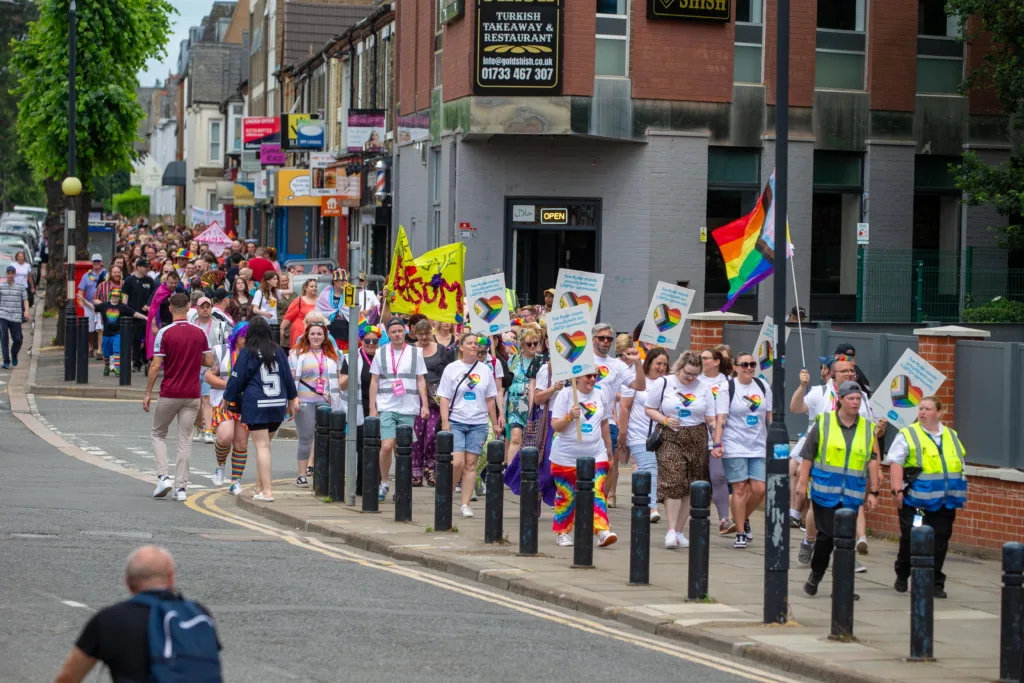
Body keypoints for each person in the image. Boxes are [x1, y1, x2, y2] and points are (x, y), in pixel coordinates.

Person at [53, 545, 221, 683]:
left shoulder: (110, 620)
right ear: (171, 578)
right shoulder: (199, 614)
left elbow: (68, 677)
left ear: (128, 583)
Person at [791, 355, 879, 571]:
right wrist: (802, 387)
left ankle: (847, 553)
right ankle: (809, 541)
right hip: (824, 463)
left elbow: (869, 431)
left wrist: (876, 468)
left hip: (852, 464)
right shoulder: (820, 393)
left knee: (851, 507)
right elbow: (795, 407)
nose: (850, 374)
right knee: (817, 507)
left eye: (852, 370)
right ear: (832, 374)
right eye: (845, 371)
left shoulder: (862, 398)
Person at [885, 397, 966, 598]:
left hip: (945, 501)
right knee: (910, 539)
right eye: (920, 409)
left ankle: (935, 582)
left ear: (939, 413)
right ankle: (902, 574)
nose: (922, 412)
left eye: (927, 409)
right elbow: (896, 462)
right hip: (916, 501)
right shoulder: (908, 434)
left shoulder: (951, 435)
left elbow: (959, 463)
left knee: (940, 541)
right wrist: (897, 491)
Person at [144, 293, 214, 502]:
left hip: (170, 392)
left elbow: (156, 366)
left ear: (170, 308)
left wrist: (148, 393)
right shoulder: (199, 333)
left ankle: (163, 476)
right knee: (185, 440)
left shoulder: (165, 333)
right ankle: (181, 488)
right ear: (189, 307)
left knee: (158, 433)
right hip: (192, 394)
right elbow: (209, 361)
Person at [645, 350, 719, 549]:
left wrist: (717, 442)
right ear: (679, 368)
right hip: (670, 434)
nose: (691, 378)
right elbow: (649, 408)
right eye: (687, 373)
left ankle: (679, 531)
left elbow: (711, 418)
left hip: (697, 436)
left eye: (695, 374)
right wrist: (665, 420)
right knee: (673, 480)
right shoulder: (664, 383)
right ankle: (670, 530)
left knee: (691, 484)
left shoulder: (704, 387)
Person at [223, 316, 299, 502]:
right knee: (264, 447)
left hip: (256, 404)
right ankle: (259, 488)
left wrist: (227, 398)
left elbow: (237, 378)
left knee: (261, 447)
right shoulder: (279, 351)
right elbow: (287, 377)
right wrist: (292, 399)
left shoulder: (248, 351)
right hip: (277, 405)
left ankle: (267, 492)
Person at [548, 370, 618, 548]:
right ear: (577, 377)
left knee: (597, 491)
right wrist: (569, 417)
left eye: (596, 375)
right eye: (589, 375)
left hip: (595, 453)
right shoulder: (565, 395)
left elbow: (604, 422)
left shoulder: (600, 394)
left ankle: (602, 530)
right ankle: (563, 532)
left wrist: (609, 449)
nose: (593, 379)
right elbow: (556, 425)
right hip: (565, 456)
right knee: (567, 495)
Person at [438, 331, 502, 517]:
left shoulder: (485, 370)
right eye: (470, 343)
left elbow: (490, 398)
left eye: (476, 343)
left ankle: (465, 504)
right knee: (457, 463)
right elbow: (444, 397)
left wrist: (495, 422)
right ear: (461, 347)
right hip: (457, 421)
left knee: (471, 464)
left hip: (479, 422)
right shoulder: (452, 368)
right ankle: (447, 493)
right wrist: (444, 423)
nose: (474, 346)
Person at [711, 351, 772, 549]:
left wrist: (775, 438)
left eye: (752, 364)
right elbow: (721, 418)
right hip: (734, 444)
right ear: (735, 367)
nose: (749, 368)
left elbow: (769, 416)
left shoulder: (763, 386)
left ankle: (742, 518)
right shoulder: (726, 388)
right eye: (744, 365)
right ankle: (740, 532)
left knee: (759, 489)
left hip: (758, 445)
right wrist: (717, 443)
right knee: (739, 488)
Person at [368, 317, 429, 501]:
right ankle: (384, 482)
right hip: (387, 405)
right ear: (388, 334)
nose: (397, 334)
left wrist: (424, 404)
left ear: (405, 332)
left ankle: (401, 485)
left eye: (400, 331)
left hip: (408, 407)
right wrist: (373, 407)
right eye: (393, 332)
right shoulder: (380, 353)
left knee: (402, 448)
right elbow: (374, 381)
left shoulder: (415, 353)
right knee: (386, 446)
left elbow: (420, 379)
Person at [591, 323, 645, 508]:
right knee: (583, 466)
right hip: (583, 421)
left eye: (609, 338)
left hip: (606, 421)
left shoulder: (616, 365)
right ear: (593, 339)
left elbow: (639, 386)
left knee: (609, 464)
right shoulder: (583, 361)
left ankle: (600, 504)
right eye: (601, 338)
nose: (606, 341)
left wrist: (638, 363)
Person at [289, 319, 341, 487]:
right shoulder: (297, 353)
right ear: (307, 335)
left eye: (320, 333)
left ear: (325, 336)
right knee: (306, 438)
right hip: (304, 402)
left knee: (325, 439)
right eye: (313, 334)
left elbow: (339, 378)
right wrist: (293, 399)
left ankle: (321, 473)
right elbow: (291, 379)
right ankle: (301, 475)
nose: (316, 337)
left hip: (326, 402)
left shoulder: (332, 355)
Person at [621, 348, 669, 524]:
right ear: (650, 363)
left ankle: (641, 501)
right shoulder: (638, 380)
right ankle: (653, 507)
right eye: (658, 363)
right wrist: (623, 434)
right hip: (638, 433)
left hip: (660, 435)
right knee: (650, 467)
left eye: (665, 364)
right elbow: (625, 407)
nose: (662, 367)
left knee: (646, 470)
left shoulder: (668, 383)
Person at [205, 322, 250, 495]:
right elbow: (208, 376)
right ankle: (220, 465)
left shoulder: (254, 355)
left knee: (241, 442)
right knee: (225, 437)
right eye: (243, 336)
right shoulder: (222, 351)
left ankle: (235, 481)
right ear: (236, 336)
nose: (246, 340)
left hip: (245, 405)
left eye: (249, 337)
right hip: (223, 401)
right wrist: (230, 386)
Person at [700, 347, 735, 534]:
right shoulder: (695, 380)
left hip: (720, 438)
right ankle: (698, 518)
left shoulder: (729, 383)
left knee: (718, 476)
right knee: (697, 480)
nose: (702, 361)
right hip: (697, 436)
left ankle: (724, 519)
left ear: (717, 361)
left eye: (706, 358)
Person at [411, 319, 451, 486]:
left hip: (436, 398)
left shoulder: (441, 350)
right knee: (417, 436)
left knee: (431, 435)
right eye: (420, 334)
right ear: (415, 334)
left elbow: (448, 370)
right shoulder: (410, 350)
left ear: (431, 332)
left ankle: (430, 468)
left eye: (426, 333)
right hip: (416, 397)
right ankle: (416, 472)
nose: (424, 337)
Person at [191, 296, 229, 444]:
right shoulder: (192, 325)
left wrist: (221, 367)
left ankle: (208, 430)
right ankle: (198, 426)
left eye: (208, 306)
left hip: (212, 369)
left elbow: (226, 346)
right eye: (202, 306)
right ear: (197, 308)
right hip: (194, 367)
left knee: (206, 399)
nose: (205, 309)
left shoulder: (220, 325)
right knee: (195, 401)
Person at [504, 327, 542, 464]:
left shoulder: (541, 361)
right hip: (515, 403)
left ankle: (529, 472)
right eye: (529, 344)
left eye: (535, 343)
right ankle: (511, 474)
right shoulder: (512, 360)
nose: (532, 346)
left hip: (534, 404)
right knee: (515, 438)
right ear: (521, 345)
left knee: (531, 440)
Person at [93, 288, 146, 376]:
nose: (115, 297)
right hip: (106, 334)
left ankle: (117, 368)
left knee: (117, 350)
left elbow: (134, 313)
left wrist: (145, 317)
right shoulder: (104, 305)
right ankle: (106, 367)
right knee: (106, 353)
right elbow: (93, 307)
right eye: (113, 295)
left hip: (117, 333)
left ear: (120, 297)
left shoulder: (122, 306)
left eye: (117, 296)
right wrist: (84, 301)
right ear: (110, 295)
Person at [123, 258, 156, 370]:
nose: (147, 269)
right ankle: (136, 362)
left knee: (147, 339)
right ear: (137, 267)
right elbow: (125, 297)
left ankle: (146, 360)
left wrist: (149, 306)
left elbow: (154, 297)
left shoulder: (149, 281)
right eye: (144, 267)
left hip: (147, 315)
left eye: (148, 267)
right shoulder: (129, 280)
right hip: (133, 315)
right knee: (135, 340)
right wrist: (125, 311)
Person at [0, 265, 30, 369]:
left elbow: (26, 300)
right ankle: (6, 361)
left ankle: (14, 353)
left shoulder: (20, 287)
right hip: (3, 315)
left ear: (15, 274)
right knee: (4, 337)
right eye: (9, 273)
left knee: (18, 339)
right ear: (6, 274)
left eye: (12, 273)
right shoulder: (1, 287)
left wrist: (26, 311)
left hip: (16, 316)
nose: (10, 275)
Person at [77, 254, 106, 358]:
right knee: (90, 329)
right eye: (94, 261)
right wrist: (80, 302)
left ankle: (100, 349)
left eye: (98, 261)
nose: (96, 263)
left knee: (101, 328)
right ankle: (90, 346)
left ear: (101, 262)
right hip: (89, 305)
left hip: (103, 305)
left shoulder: (106, 274)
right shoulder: (86, 276)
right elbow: (80, 291)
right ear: (92, 263)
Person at [316, 269, 350, 346]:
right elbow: (319, 313)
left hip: (346, 334)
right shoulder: (324, 295)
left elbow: (352, 312)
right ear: (334, 281)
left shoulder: (349, 294)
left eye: (345, 280)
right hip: (328, 333)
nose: (344, 283)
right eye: (341, 280)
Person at [282, 278, 319, 348]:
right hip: (299, 332)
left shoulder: (320, 300)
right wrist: (281, 330)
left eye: (316, 286)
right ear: (306, 288)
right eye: (312, 286)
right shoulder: (298, 300)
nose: (314, 288)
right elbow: (288, 317)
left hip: (316, 331)